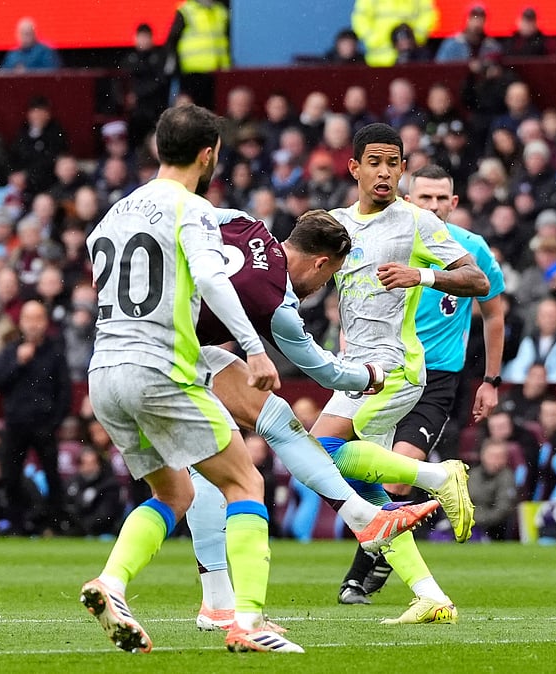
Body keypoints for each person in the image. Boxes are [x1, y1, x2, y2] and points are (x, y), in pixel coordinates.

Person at [80, 104, 299, 654]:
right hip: (159, 368)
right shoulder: (193, 209)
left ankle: (111, 582)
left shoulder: (111, 215)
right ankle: (247, 623)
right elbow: (208, 275)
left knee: (174, 491)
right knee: (244, 482)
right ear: (210, 154)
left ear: (158, 149)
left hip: (104, 372)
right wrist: (254, 348)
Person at [184, 208, 449, 630]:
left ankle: (217, 603)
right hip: (165, 356)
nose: (321, 288)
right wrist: (368, 375)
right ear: (321, 262)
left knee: (250, 437)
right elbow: (321, 371)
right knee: (229, 475)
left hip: (159, 340)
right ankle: (149, 591)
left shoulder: (244, 223)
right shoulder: (276, 302)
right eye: (327, 279)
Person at [311, 123, 490, 625]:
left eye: (393, 163)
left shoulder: (416, 222)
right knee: (365, 491)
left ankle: (438, 475)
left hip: (394, 366)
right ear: (354, 168)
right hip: (354, 369)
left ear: (403, 170)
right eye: (374, 162)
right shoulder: (337, 224)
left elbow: (475, 279)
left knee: (315, 451)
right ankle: (430, 593)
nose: (384, 171)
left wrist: (422, 274)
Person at [337, 163, 505, 604]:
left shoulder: (471, 249)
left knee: (397, 470)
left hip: (437, 378)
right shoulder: (390, 238)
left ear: (454, 203)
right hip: (379, 371)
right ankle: (387, 559)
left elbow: (494, 312)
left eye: (440, 198)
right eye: (424, 197)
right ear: (410, 200)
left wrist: (491, 378)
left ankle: (361, 575)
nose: (433, 205)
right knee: (350, 464)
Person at [0, 300, 71, 534]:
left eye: (38, 319)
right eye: (29, 319)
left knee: (53, 476)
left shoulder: (55, 352)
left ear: (45, 322)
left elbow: (64, 392)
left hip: (45, 425)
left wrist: (54, 422)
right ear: (21, 323)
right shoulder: (10, 350)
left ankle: (55, 525)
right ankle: (19, 524)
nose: (33, 325)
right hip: (16, 424)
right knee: (11, 477)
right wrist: (18, 363)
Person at [166, 0, 231, 108]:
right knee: (191, 111)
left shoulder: (222, 11)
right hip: (192, 72)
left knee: (213, 111)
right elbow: (172, 40)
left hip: (218, 72)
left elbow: (227, 39)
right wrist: (176, 68)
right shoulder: (186, 9)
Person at [351, 0, 438, 67]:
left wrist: (415, 38)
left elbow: (428, 15)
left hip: (410, 56)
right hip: (379, 59)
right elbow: (360, 18)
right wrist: (373, 39)